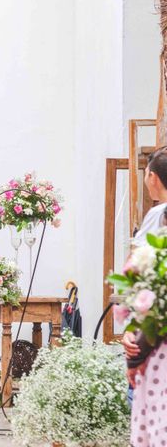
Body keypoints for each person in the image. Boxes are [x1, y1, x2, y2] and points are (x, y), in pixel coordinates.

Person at [120, 147, 167, 446]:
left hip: (157, 343)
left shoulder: (159, 216)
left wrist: (136, 352)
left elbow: (149, 285)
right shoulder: (158, 214)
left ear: (152, 177)